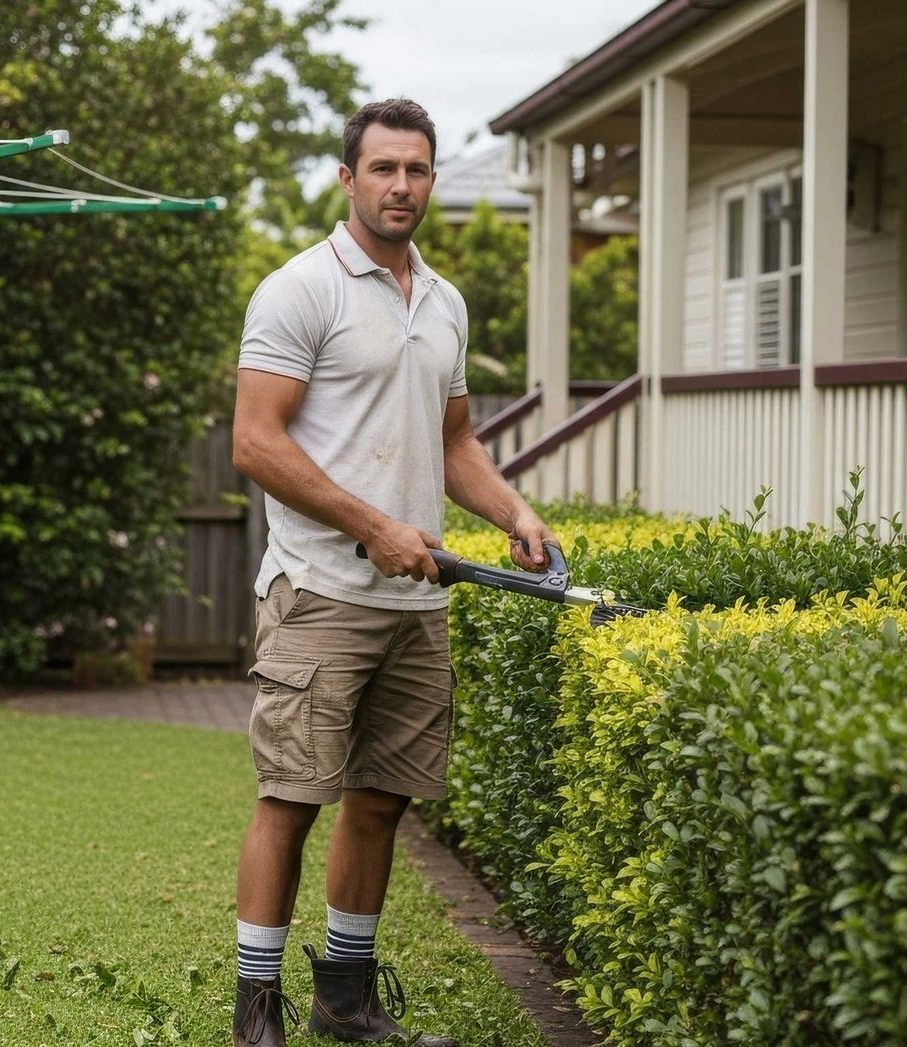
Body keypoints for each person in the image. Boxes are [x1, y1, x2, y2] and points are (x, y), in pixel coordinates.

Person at [227, 97, 558, 1047]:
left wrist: (513, 512)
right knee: (291, 799)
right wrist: (373, 524)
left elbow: (454, 440)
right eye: (383, 169)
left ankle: (345, 1000)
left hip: (415, 602)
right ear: (347, 178)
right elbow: (255, 442)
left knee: (381, 799)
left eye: (416, 170)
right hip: (320, 590)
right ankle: (256, 1011)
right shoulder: (301, 290)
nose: (400, 186)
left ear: (430, 180)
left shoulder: (443, 301)